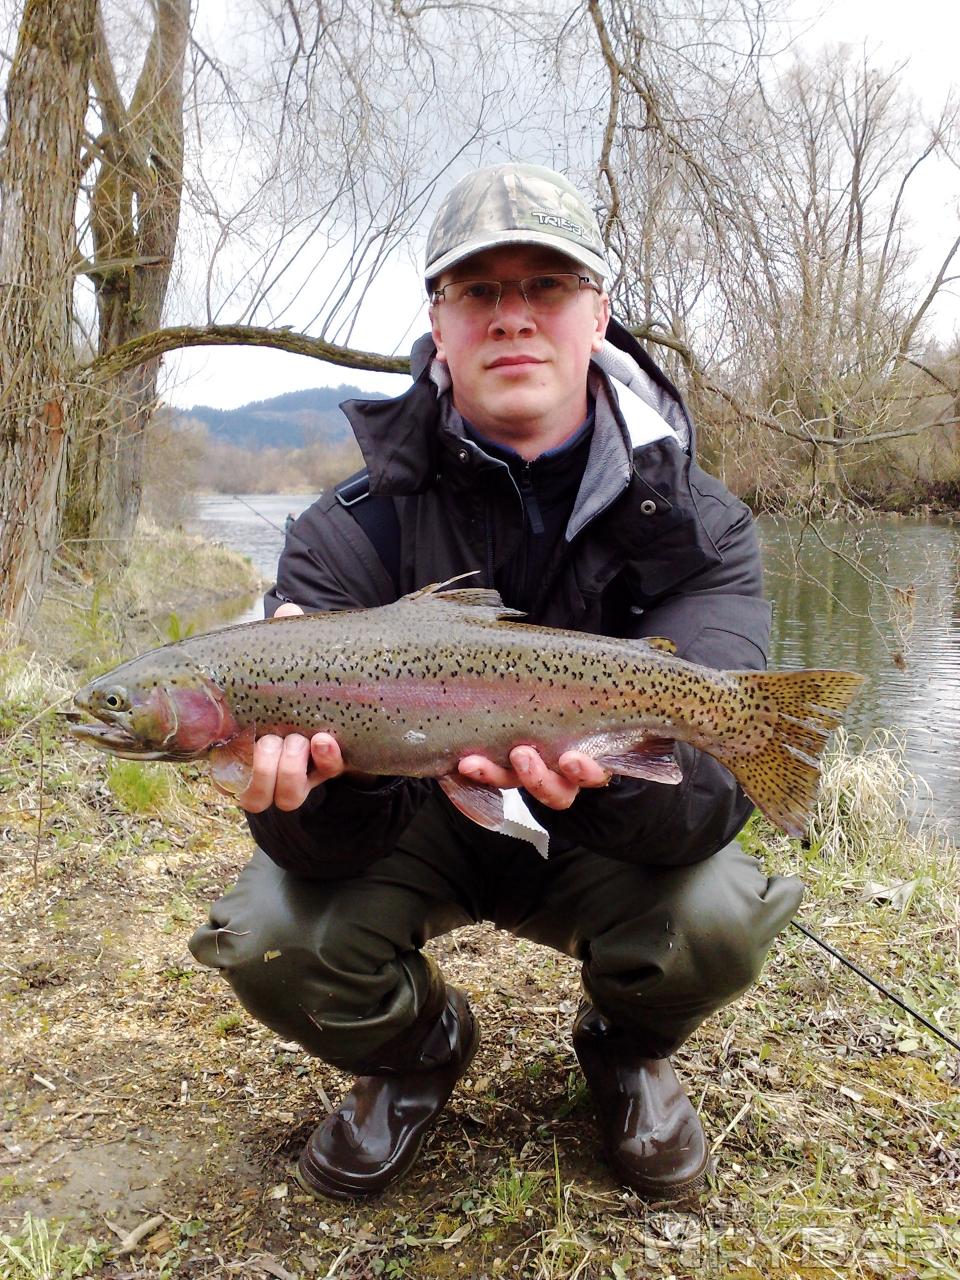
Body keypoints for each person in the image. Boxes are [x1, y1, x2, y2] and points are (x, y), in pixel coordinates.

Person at [189, 163, 803, 1204]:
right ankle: (419, 1048)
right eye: (478, 289)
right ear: (438, 322)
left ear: (598, 313)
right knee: (266, 934)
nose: (512, 314)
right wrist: (326, 783)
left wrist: (603, 777)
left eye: (546, 285)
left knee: (720, 913)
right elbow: (309, 850)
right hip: (415, 823)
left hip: (600, 832)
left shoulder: (700, 524)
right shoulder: (343, 532)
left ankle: (626, 1049)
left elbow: (711, 796)